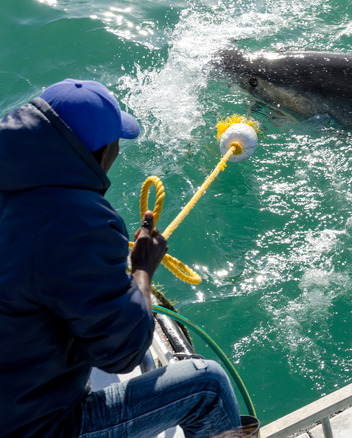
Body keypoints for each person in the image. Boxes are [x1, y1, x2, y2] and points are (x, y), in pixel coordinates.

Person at [0, 79, 247, 437]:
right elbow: (123, 353)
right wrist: (142, 268)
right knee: (206, 386)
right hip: (32, 428)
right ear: (102, 153)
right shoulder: (78, 222)